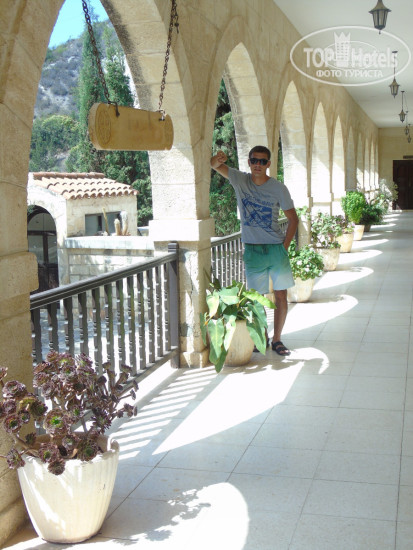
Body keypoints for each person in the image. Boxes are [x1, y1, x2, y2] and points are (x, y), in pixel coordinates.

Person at [210, 145, 298, 356]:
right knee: (257, 299)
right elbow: (214, 166)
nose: (258, 164)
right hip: (252, 250)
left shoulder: (279, 188)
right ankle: (262, 338)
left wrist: (284, 247)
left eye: (262, 161)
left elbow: (293, 219)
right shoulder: (240, 180)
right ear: (249, 162)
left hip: (276, 249)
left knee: (281, 295)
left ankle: (277, 340)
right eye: (254, 160)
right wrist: (217, 159)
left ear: (268, 164)